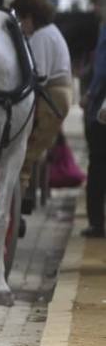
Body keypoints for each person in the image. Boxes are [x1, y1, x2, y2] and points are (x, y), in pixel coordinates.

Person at [12, 0, 73, 201]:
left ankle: (17, 202)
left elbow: (39, 76)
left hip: (52, 96)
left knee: (25, 156)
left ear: (29, 17)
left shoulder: (40, 37)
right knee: (34, 150)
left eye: (21, 21)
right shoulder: (51, 32)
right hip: (58, 95)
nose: (21, 28)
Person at [82, 24, 106, 238]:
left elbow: (102, 69)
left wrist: (91, 94)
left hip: (101, 110)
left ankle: (97, 223)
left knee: (98, 165)